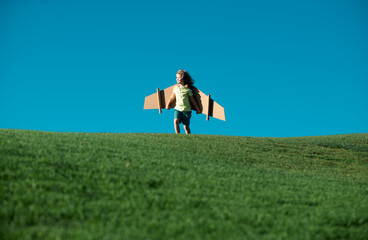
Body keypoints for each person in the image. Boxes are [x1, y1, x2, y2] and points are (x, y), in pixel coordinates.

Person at [165, 70, 201, 134]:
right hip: (177, 108)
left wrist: (197, 109)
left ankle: (189, 138)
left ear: (183, 79)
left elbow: (193, 100)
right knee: (175, 121)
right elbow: (171, 97)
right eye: (177, 78)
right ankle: (178, 136)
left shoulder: (188, 90)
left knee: (186, 127)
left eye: (179, 78)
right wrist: (167, 105)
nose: (177, 79)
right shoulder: (175, 88)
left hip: (187, 110)